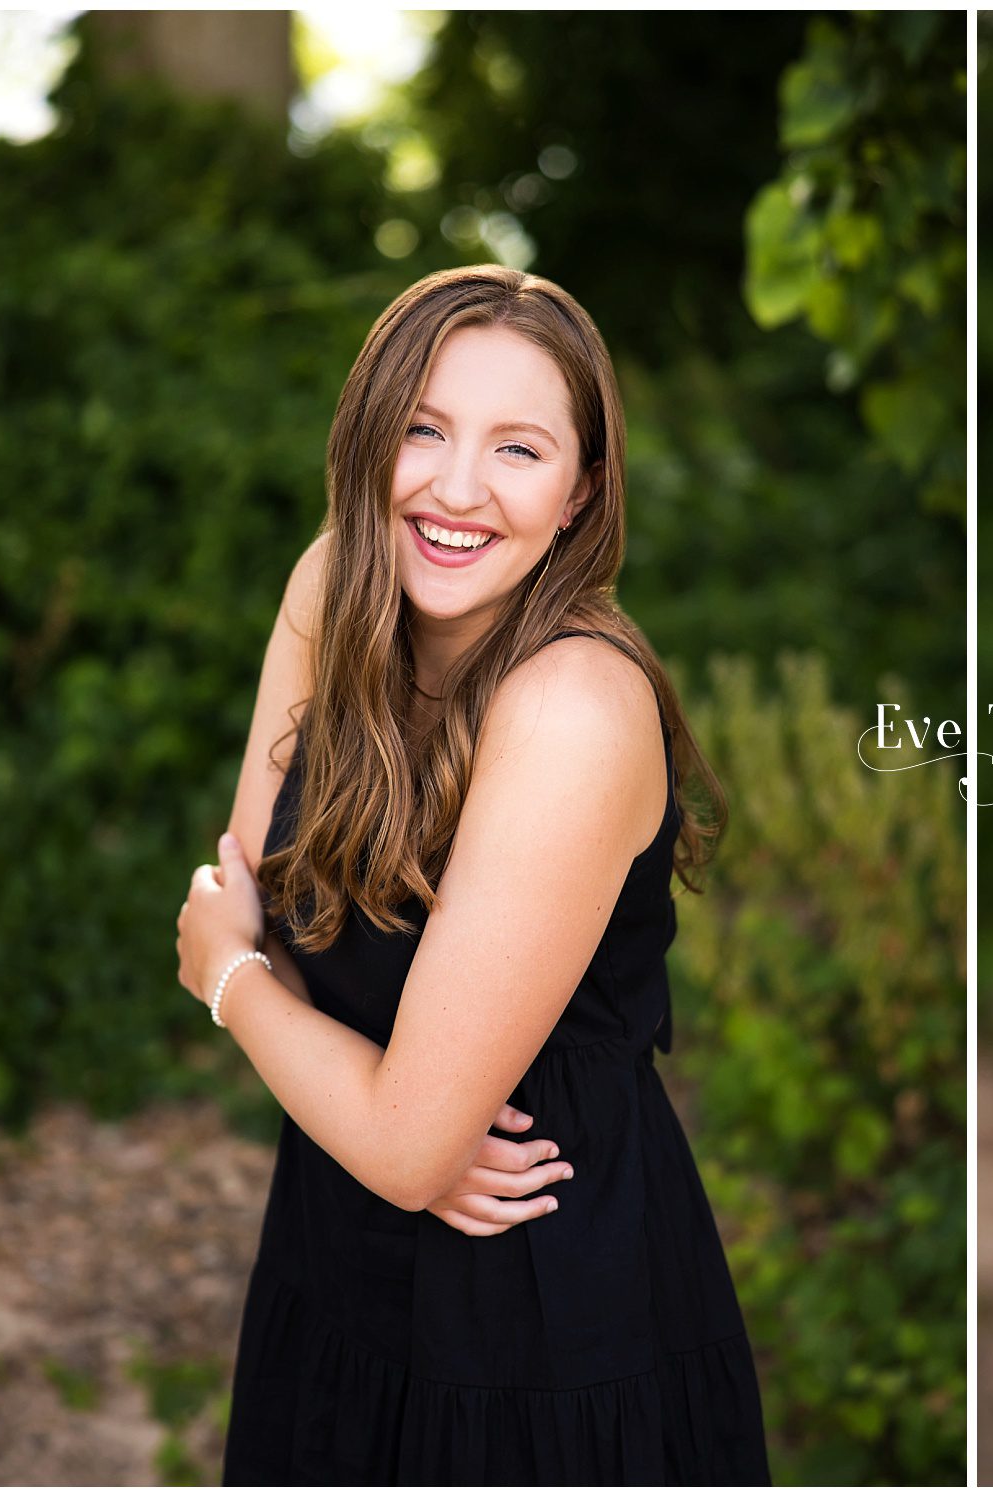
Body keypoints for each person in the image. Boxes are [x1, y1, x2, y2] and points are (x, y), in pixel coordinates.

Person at [175, 265, 770, 1483]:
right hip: (333, 1238)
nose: (454, 489)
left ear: (580, 492)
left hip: (535, 1300)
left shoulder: (572, 710)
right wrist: (384, 1112)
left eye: (518, 449)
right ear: (368, 438)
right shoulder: (331, 584)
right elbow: (267, 897)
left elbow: (238, 947)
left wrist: (231, 989)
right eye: (425, 429)